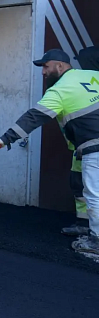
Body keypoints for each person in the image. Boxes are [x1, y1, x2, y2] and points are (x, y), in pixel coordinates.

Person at [0, 49, 99, 255]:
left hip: (94, 147)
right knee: (78, 181)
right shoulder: (93, 75)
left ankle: (96, 240)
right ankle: (84, 224)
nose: (43, 72)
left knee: (94, 194)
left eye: (46, 66)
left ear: (60, 66)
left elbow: (34, 118)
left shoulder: (60, 89)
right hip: (84, 148)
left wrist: (3, 140)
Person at [60, 46, 99, 236]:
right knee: (79, 185)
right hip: (80, 148)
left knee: (90, 189)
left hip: (89, 147)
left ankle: (93, 231)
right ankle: (83, 223)